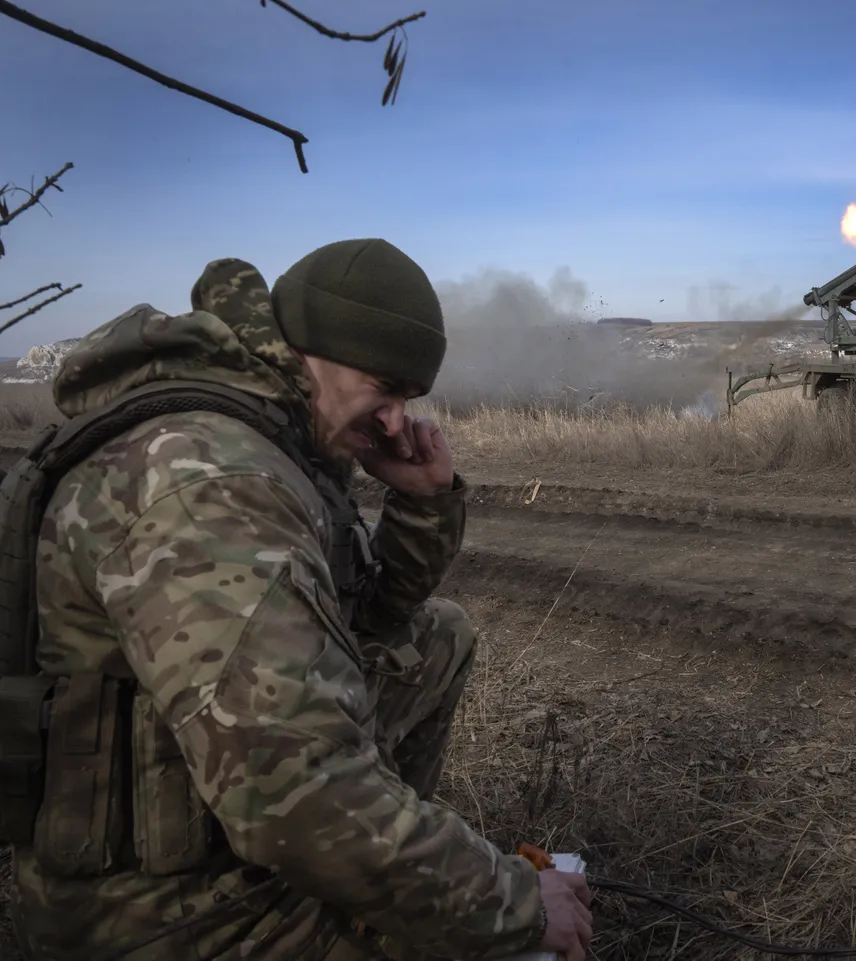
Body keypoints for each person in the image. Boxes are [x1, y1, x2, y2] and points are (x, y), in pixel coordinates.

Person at [9, 240, 593, 960]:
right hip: (162, 916)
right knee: (474, 938)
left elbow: (369, 625)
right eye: (385, 386)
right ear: (315, 351)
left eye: (409, 397)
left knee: (436, 637)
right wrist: (512, 903)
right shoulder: (214, 483)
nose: (393, 421)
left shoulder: (264, 440)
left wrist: (424, 504)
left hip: (212, 833)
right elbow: (295, 794)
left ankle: (375, 861)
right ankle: (370, 870)